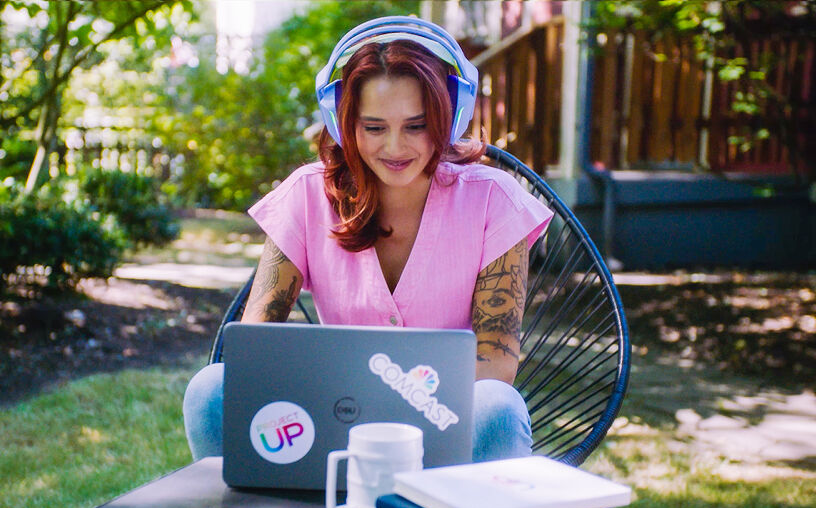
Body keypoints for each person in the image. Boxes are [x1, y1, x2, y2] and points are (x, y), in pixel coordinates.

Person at [183, 16, 553, 463]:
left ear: (449, 116)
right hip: (331, 420)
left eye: (416, 125)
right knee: (211, 390)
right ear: (344, 124)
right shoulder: (307, 195)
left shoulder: (495, 201)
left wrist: (401, 422)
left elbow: (497, 363)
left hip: (443, 426)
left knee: (498, 405)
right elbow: (255, 344)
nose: (395, 147)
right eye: (374, 128)